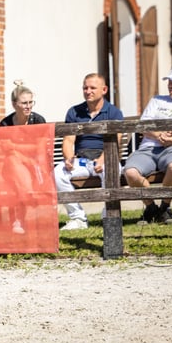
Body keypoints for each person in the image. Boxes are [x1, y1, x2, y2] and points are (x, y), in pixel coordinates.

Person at [54, 73, 124, 230]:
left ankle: (109, 215)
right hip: (82, 159)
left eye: (93, 88)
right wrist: (68, 158)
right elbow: (68, 140)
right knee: (58, 173)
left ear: (104, 90)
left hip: (105, 156)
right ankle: (78, 218)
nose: (88, 91)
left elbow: (116, 141)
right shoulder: (74, 112)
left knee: (113, 170)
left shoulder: (114, 113)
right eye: (85, 88)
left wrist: (104, 158)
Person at [122, 65, 172, 225]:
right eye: (169, 81)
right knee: (131, 173)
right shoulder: (157, 100)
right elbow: (143, 125)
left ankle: (165, 207)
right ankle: (151, 208)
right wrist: (158, 135)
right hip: (148, 148)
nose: (170, 85)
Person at [0, 80, 46, 234]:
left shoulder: (38, 120)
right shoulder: (5, 123)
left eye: (31, 102)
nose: (29, 106)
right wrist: (23, 153)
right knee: (13, 163)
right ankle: (24, 214)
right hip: (12, 169)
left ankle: (18, 221)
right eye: (24, 103)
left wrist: (17, 150)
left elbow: (39, 148)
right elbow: (5, 150)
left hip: (35, 164)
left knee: (14, 162)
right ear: (14, 104)